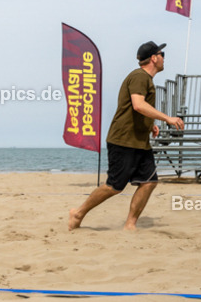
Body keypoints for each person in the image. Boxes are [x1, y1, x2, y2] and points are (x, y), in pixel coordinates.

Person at [69, 41, 184, 231]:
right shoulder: (140, 76)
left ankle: (130, 224)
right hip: (123, 140)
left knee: (149, 182)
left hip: (139, 142)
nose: (164, 58)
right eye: (162, 54)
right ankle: (78, 213)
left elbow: (137, 109)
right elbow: (138, 104)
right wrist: (167, 118)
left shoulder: (145, 79)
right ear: (154, 58)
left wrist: (150, 125)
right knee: (114, 186)